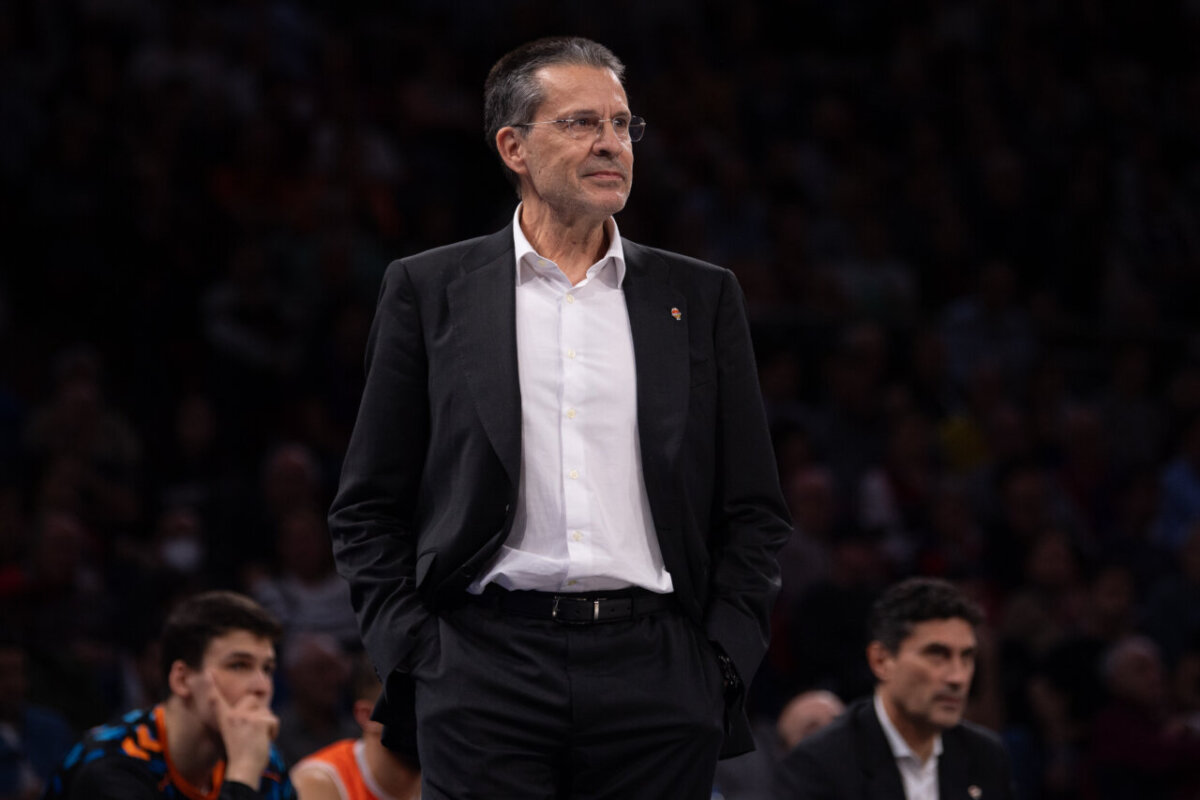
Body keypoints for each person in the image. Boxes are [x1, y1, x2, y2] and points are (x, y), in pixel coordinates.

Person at [328, 35, 791, 799]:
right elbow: (368, 503)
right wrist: (415, 654)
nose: (611, 143)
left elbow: (753, 507)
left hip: (658, 670)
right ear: (513, 146)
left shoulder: (700, 297)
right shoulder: (428, 288)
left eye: (622, 124)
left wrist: (718, 661)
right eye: (581, 123)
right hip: (481, 668)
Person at [773, 577, 1015, 800]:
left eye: (967, 657)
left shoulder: (986, 756)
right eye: (937, 655)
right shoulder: (821, 764)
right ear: (881, 661)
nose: (957, 677)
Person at [43, 590, 295, 799]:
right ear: (182, 679)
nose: (262, 686)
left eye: (267, 669)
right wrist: (242, 776)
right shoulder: (112, 765)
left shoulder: (263, 762)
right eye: (239, 665)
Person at [289, 654, 420, 800]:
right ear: (369, 716)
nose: (430, 716)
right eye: (415, 702)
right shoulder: (318, 782)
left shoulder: (443, 775)